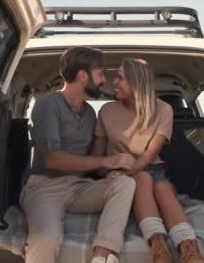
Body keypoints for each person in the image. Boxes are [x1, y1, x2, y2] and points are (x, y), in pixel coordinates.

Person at [20, 47, 136, 263]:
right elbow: (53, 159)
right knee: (46, 237)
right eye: (100, 73)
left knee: (125, 184)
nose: (104, 80)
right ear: (83, 76)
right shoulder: (48, 105)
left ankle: (103, 254)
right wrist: (105, 160)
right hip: (44, 186)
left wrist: (109, 172)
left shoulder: (91, 113)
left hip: (78, 187)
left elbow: (91, 161)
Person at [93, 58, 204, 263]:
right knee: (144, 179)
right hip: (118, 178)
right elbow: (97, 159)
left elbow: (148, 154)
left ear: (137, 82)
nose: (114, 83)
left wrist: (129, 171)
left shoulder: (163, 110)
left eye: (120, 78)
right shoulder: (106, 111)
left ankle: (189, 250)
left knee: (159, 185)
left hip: (153, 172)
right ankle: (159, 247)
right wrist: (111, 171)